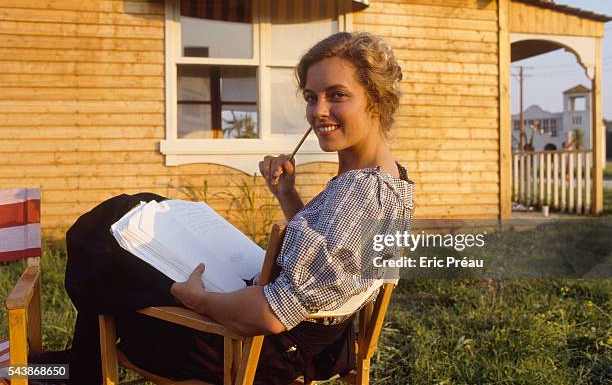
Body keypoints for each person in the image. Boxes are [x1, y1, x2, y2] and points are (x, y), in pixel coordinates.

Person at [33, 31, 415, 385]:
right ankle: (73, 365)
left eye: (337, 95)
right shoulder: (389, 181)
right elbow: (331, 257)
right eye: (312, 97)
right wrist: (286, 193)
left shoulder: (361, 198)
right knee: (138, 211)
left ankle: (68, 370)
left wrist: (197, 299)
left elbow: (270, 314)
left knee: (103, 252)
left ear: (376, 100)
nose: (318, 111)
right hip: (309, 342)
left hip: (251, 352)